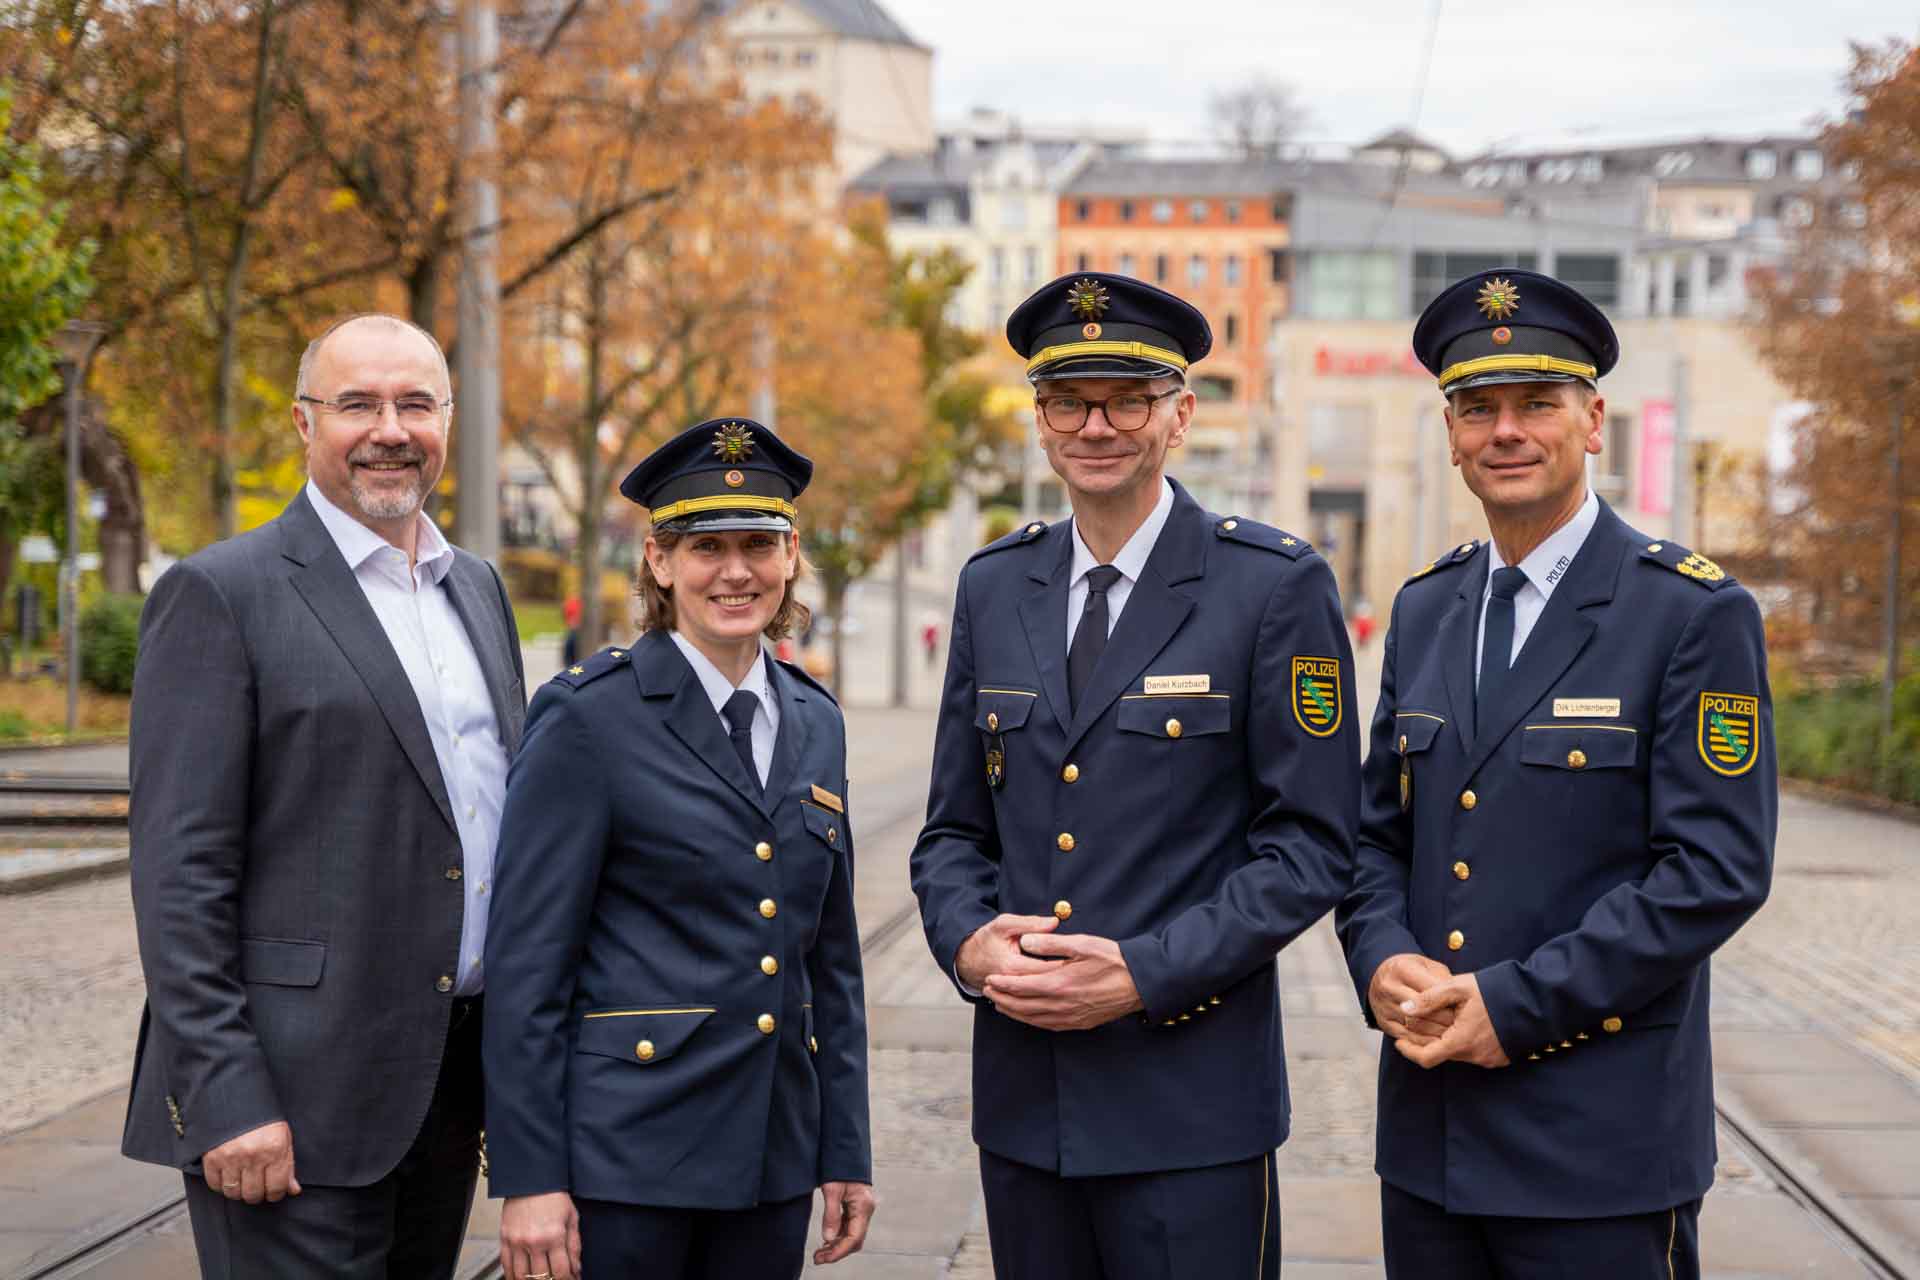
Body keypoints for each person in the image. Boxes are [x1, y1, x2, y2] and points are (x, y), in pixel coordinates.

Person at [910, 273, 1360, 1280]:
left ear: (1181, 412)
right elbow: (952, 831)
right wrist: (967, 946)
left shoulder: (1273, 587)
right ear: (1041, 417)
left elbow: (1313, 844)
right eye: (1069, 400)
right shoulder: (995, 584)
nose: (1096, 424)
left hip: (1190, 1104)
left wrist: (1146, 971)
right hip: (1029, 1102)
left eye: (1128, 398)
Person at [1336, 268, 1777, 1279]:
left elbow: (1714, 870)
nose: (1507, 430)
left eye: (1538, 402)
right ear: (1449, 433)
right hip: (1431, 1135)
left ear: (1594, 422)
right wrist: (1380, 959)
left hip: (1600, 1147)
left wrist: (1515, 1005)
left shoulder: (1691, 613)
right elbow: (1374, 837)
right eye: (1478, 407)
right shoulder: (1427, 607)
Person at [124, 313, 526, 1277]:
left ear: (447, 419)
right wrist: (227, 1096)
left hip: (446, 1085)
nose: (390, 427)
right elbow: (180, 876)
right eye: (357, 403)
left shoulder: (479, 590)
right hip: (287, 1104)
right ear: (305, 425)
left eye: (414, 403)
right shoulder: (221, 593)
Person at [482, 418, 874, 1280]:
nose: (735, 571)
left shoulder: (817, 722)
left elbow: (831, 966)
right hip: (626, 1162)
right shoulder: (589, 718)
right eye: (706, 547)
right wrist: (531, 1177)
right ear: (659, 561)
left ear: (790, 554)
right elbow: (527, 967)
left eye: (758, 545)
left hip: (771, 1160)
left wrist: (845, 1148)